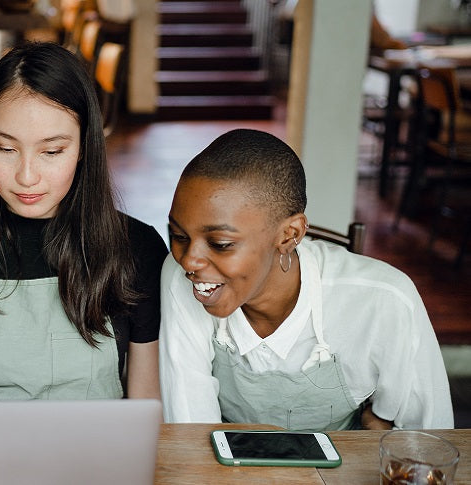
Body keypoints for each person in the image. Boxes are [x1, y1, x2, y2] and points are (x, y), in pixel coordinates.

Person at [0, 42, 167, 401]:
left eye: (52, 151)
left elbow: (148, 402)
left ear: (85, 146)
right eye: (6, 149)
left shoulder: (137, 248)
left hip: (94, 455)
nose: (26, 176)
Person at [159, 128, 454, 431]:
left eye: (220, 243)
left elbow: (430, 442)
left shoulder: (384, 299)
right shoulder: (180, 279)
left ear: (290, 235)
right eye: (179, 236)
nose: (189, 261)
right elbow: (190, 433)